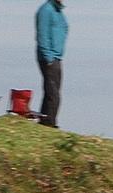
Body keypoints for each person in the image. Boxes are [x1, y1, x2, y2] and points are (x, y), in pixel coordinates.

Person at [35, 0, 68, 128]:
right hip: (49, 58)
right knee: (53, 93)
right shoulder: (46, 10)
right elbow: (42, 36)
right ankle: (49, 122)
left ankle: (45, 120)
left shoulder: (58, 11)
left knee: (52, 91)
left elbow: (64, 29)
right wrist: (48, 57)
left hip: (57, 57)